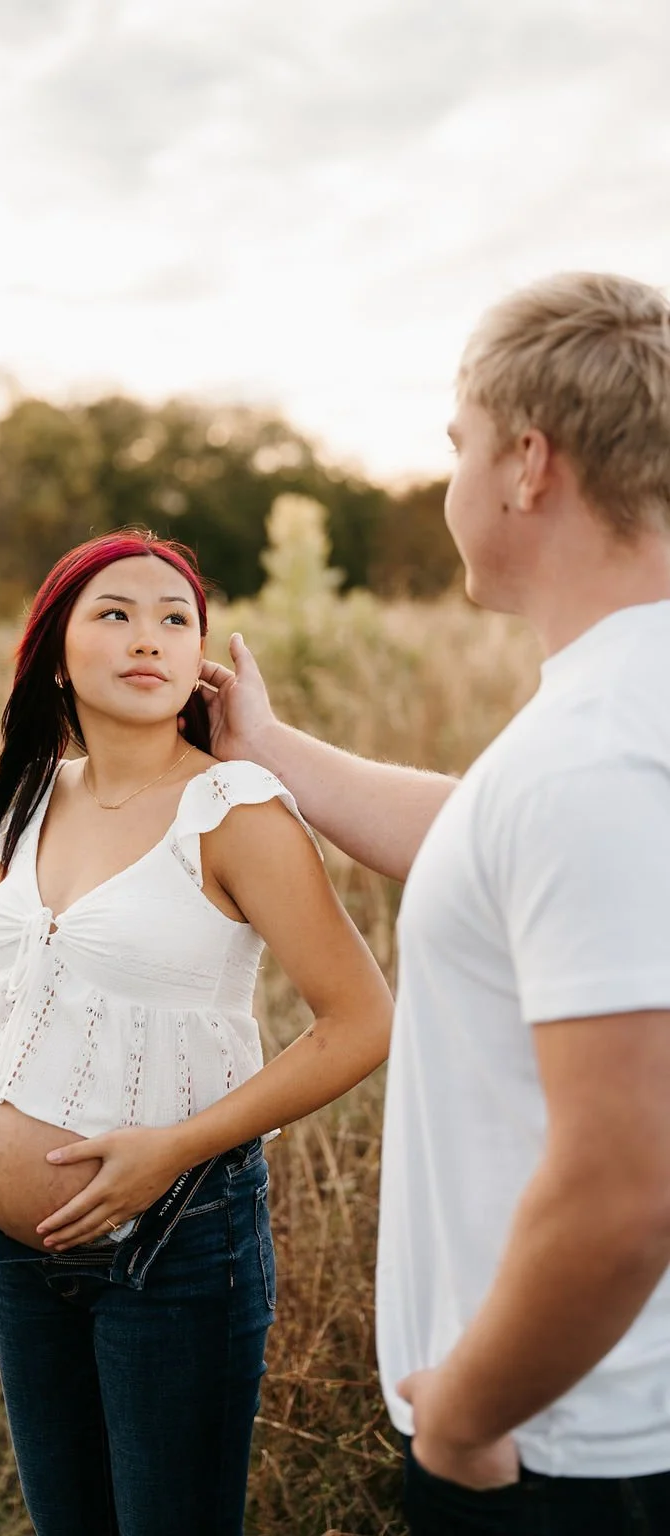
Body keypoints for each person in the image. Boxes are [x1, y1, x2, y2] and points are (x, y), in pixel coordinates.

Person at [188, 273, 670, 1534]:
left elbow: (629, 1181)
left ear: (526, 464)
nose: (446, 479)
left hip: (568, 1446)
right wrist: (273, 747)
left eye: (455, 445)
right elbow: (487, 839)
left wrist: (462, 1416)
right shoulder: (614, 714)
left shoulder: (601, 755)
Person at [0, 529, 393, 1536]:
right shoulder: (33, 794)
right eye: (116, 614)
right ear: (55, 652)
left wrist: (168, 1154)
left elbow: (360, 1022)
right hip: (19, 1248)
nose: (149, 637)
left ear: (199, 663)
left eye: (175, 619)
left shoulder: (233, 810)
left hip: (175, 1235)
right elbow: (15, 974)